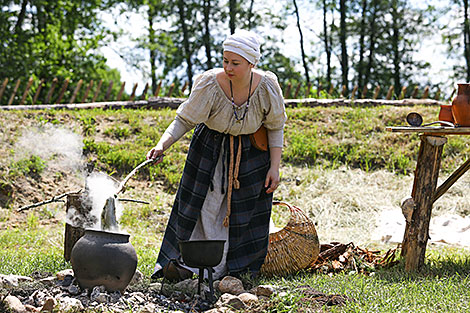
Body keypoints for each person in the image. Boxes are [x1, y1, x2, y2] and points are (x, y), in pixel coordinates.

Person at [146, 29, 287, 281]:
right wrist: (162, 144)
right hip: (209, 150)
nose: (228, 67)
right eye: (225, 61)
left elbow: (275, 126)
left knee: (247, 213)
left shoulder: (267, 86)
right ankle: (189, 266)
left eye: (235, 63)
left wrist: (274, 168)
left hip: (252, 154)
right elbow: (184, 120)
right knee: (202, 208)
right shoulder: (210, 83)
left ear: (251, 63)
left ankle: (237, 270)